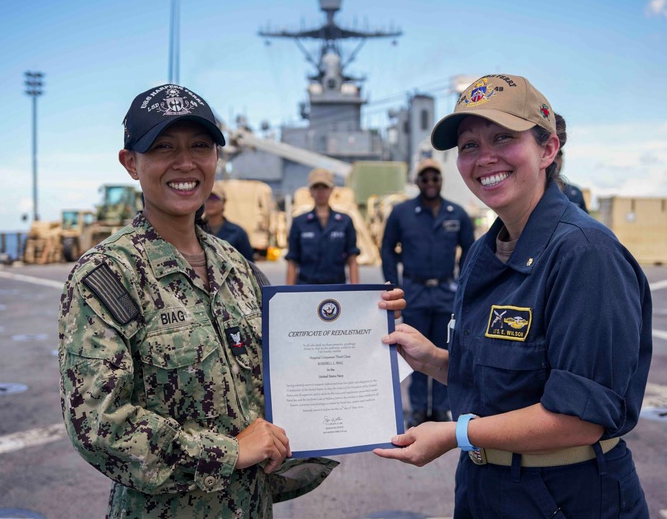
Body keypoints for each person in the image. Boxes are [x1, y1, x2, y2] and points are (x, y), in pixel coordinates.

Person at [57, 84, 406, 518]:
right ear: (131, 163)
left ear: (216, 158)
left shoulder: (236, 267)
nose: (185, 162)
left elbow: (286, 374)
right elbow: (97, 423)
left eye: (200, 146)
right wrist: (227, 453)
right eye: (163, 147)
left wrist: (366, 336)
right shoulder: (108, 276)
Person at [375, 74, 652, 518]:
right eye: (469, 145)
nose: (484, 157)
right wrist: (432, 360)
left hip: (565, 496)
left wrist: (454, 433)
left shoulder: (585, 254)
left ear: (548, 150)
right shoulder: (487, 251)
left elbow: (580, 418)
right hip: (486, 487)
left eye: (503, 137)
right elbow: (506, 382)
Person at [381, 157, 475, 427]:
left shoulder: (456, 213)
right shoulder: (402, 213)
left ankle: (444, 408)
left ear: (441, 181)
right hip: (415, 292)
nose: (430, 182)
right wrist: (393, 284)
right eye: (425, 178)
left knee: (447, 351)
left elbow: (470, 250)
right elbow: (387, 248)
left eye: (435, 177)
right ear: (417, 181)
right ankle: (419, 408)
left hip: (446, 292)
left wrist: (462, 282)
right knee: (415, 352)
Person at [285, 168, 360, 285]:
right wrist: (288, 292)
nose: (320, 192)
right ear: (310, 191)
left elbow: (352, 259)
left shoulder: (345, 221)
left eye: (324, 187)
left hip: (336, 287)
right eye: (316, 187)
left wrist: (355, 290)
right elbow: (292, 261)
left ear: (332, 189)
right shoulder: (299, 222)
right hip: (306, 287)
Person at [200, 182, 255, 260]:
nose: (210, 203)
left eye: (215, 198)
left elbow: (248, 263)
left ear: (224, 202)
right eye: (207, 198)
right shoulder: (195, 230)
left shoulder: (237, 232)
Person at [551, 131, 587, 213]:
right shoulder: (535, 193)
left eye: (558, 157)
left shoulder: (576, 193)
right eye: (553, 157)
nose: (555, 162)